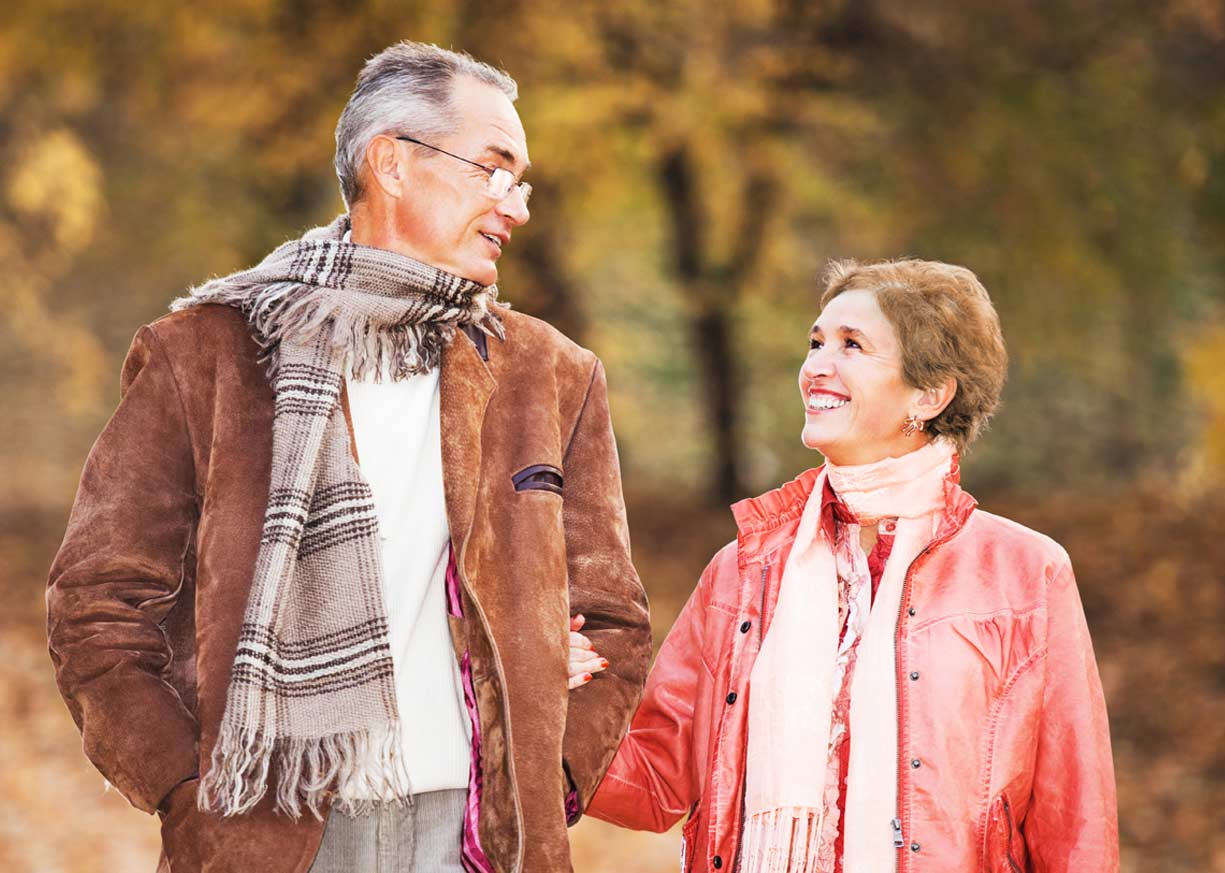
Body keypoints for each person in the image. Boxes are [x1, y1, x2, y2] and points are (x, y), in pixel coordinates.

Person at [46, 41, 650, 873]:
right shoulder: (205, 357)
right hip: (271, 837)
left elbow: (613, 621)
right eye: (493, 169)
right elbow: (97, 605)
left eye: (522, 180)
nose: (516, 205)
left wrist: (553, 776)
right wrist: (187, 789)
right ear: (392, 163)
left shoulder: (550, 375)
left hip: (480, 836)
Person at [575, 259, 1118, 872]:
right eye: (815, 343)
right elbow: (656, 779)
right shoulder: (742, 571)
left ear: (929, 394)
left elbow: (1074, 823)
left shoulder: (1025, 574)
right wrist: (542, 690)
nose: (815, 367)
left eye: (852, 345)